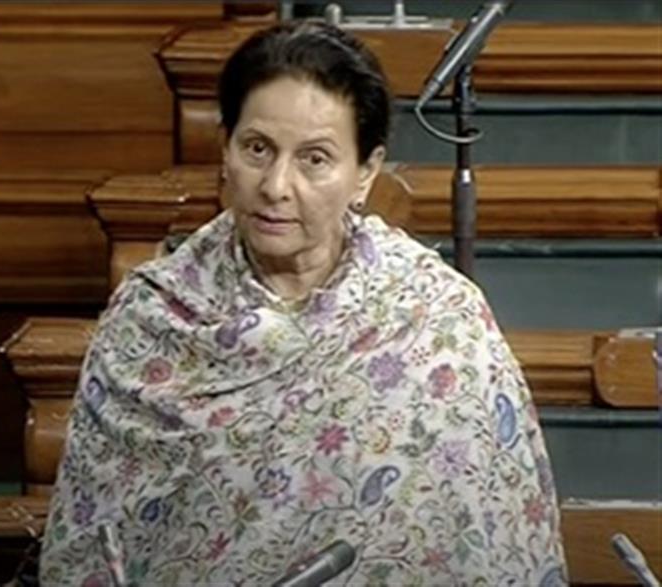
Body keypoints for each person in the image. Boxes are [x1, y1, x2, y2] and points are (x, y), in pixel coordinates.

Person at [39, 21, 567, 586]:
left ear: (365, 173)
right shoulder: (152, 316)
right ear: (225, 148)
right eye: (257, 149)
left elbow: (496, 534)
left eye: (314, 158)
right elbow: (95, 541)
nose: (276, 186)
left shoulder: (435, 316)